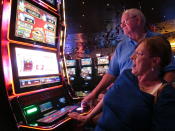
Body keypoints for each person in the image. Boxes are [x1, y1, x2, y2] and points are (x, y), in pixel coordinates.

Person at [69, 8, 175, 127]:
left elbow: (170, 70)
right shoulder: (126, 69)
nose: (121, 26)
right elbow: (111, 74)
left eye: (124, 22)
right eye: (120, 23)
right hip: (120, 101)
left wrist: (154, 94)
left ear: (138, 20)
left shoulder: (157, 41)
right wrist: (93, 97)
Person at [95, 36, 175, 131]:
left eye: (138, 53)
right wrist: (87, 118)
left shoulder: (165, 93)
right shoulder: (126, 75)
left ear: (155, 61)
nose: (132, 57)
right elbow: (109, 108)